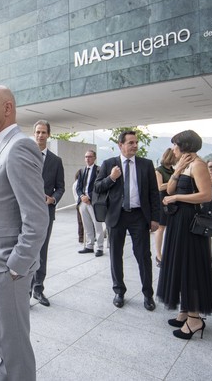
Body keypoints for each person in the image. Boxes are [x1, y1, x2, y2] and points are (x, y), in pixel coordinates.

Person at [0, 85, 48, 381]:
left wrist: (16, 265)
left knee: (14, 346)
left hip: (6, 267)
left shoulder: (19, 146)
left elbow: (37, 217)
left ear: (7, 108)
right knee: (4, 337)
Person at [157, 130, 212, 340]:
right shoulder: (184, 164)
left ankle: (194, 320)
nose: (173, 148)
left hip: (189, 223)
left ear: (184, 145)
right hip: (179, 222)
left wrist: (177, 199)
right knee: (180, 264)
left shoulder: (199, 164)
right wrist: (178, 170)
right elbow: (170, 189)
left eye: (175, 145)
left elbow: (206, 195)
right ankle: (185, 311)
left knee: (190, 267)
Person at [94, 130, 160, 311]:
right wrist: (111, 178)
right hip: (116, 216)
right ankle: (119, 291)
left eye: (136, 142)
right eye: (130, 142)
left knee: (143, 256)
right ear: (120, 145)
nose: (135, 145)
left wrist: (155, 218)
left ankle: (148, 294)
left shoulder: (146, 165)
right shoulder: (109, 164)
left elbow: (154, 193)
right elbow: (97, 187)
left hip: (139, 216)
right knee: (115, 255)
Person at [32, 120, 65, 306]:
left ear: (48, 135)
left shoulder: (56, 161)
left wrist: (53, 199)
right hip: (25, 212)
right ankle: (25, 290)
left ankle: (38, 289)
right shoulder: (24, 156)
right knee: (26, 251)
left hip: (46, 212)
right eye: (37, 132)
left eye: (44, 132)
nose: (40, 135)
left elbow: (61, 187)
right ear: (34, 133)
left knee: (41, 252)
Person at [76, 150, 104, 257]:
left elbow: (100, 187)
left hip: (94, 202)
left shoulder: (99, 170)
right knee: (86, 225)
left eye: (90, 157)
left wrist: (90, 197)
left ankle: (100, 247)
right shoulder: (82, 171)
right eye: (86, 157)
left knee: (97, 225)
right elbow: (78, 187)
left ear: (94, 158)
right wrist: (82, 196)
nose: (88, 159)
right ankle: (89, 245)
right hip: (83, 202)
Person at [154, 148, 177, 268]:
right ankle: (158, 255)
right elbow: (159, 187)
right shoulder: (159, 170)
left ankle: (168, 254)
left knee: (170, 227)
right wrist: (174, 182)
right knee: (161, 228)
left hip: (173, 201)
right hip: (162, 201)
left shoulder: (173, 170)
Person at [72, 171, 85, 243]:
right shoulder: (78, 183)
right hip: (80, 203)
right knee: (82, 221)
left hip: (78, 203)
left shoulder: (75, 183)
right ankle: (81, 237)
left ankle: (81, 237)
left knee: (80, 221)